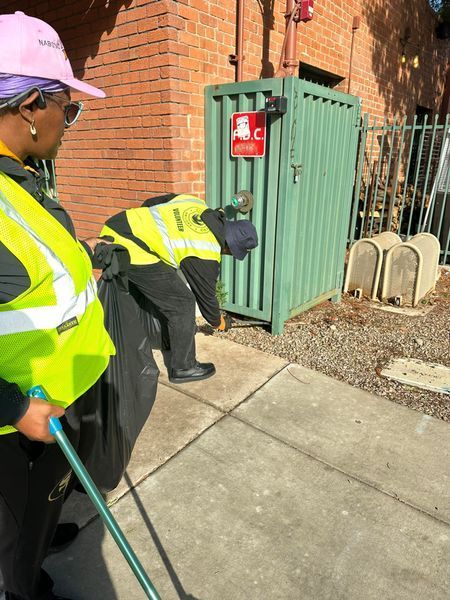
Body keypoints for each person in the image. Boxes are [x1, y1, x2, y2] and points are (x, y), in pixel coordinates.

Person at [0, 11, 116, 600]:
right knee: (12, 540)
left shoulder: (24, 177)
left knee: (42, 514)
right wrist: (14, 404)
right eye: (66, 109)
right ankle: (22, 584)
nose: (69, 123)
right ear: (30, 109)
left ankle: (38, 544)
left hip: (64, 390)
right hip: (19, 426)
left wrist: (83, 265)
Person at [102, 193, 259, 383]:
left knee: (167, 289)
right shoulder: (207, 251)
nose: (228, 254)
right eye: (232, 252)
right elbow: (206, 300)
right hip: (128, 247)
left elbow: (150, 204)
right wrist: (220, 323)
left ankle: (163, 338)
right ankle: (184, 367)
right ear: (229, 247)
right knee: (183, 302)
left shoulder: (196, 203)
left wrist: (150, 237)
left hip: (119, 224)